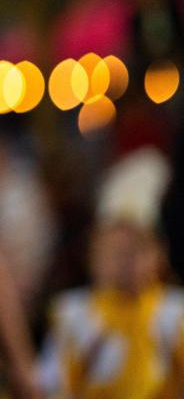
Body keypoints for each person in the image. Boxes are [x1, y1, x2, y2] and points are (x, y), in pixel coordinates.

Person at [39, 147, 184, 399]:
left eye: (135, 251)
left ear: (159, 255)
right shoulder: (74, 314)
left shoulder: (175, 313)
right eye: (114, 251)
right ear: (93, 255)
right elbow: (50, 385)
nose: (125, 262)